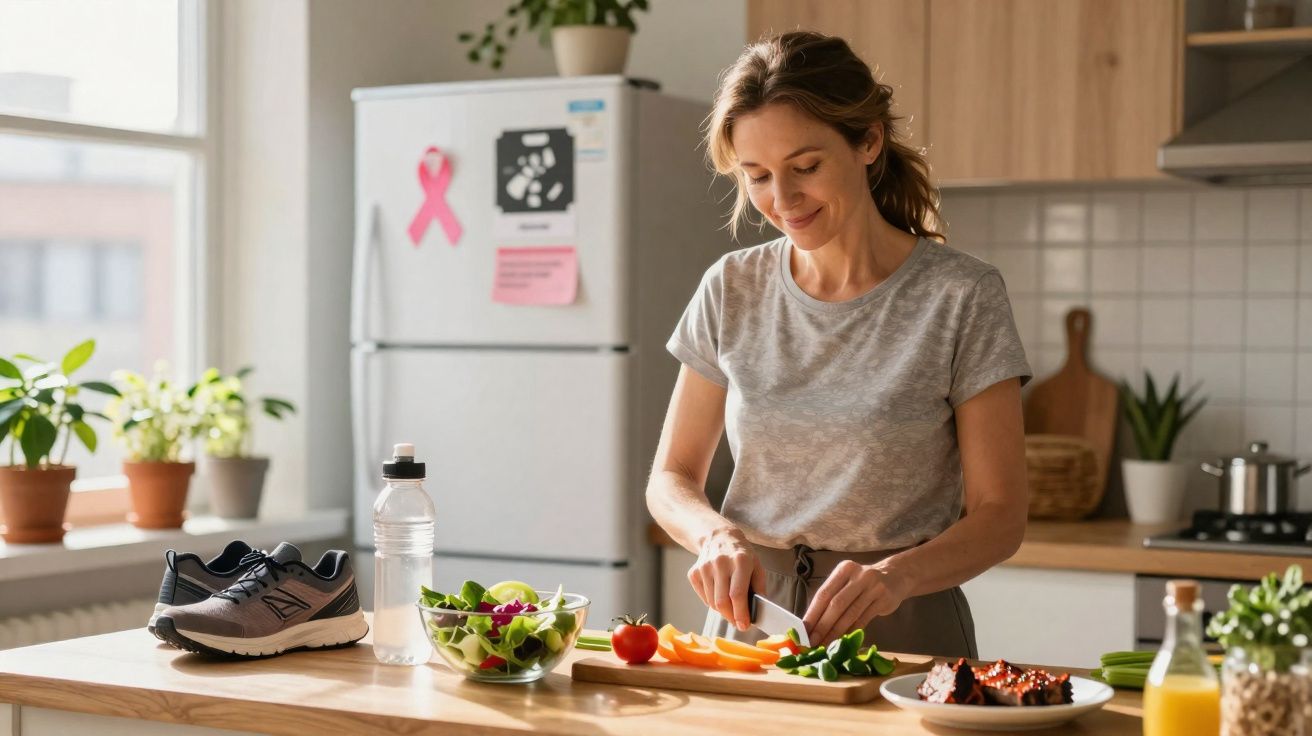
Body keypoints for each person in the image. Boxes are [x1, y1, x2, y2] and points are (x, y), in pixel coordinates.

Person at [645, 31, 1032, 658]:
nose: (783, 199)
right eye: (758, 177)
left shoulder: (962, 296)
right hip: (752, 627)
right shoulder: (731, 287)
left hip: (903, 625)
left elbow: (1000, 516)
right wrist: (714, 535)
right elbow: (672, 477)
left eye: (805, 168)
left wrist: (895, 576)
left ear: (869, 141)